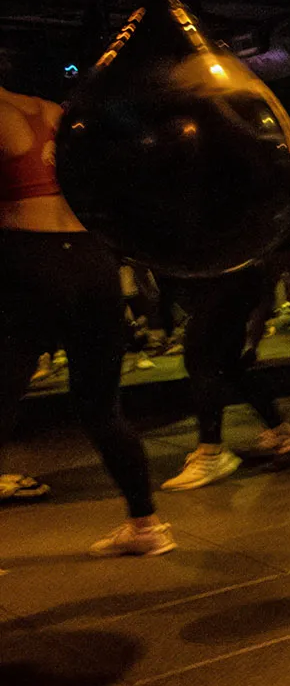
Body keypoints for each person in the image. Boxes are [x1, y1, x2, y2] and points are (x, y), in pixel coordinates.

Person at [0, 78, 170, 554]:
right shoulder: (54, 110)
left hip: (25, 256)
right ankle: (146, 526)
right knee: (100, 406)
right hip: (90, 261)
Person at [158, 260, 290, 490]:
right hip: (232, 268)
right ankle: (282, 432)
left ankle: (211, 452)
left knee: (201, 357)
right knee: (230, 367)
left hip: (226, 269)